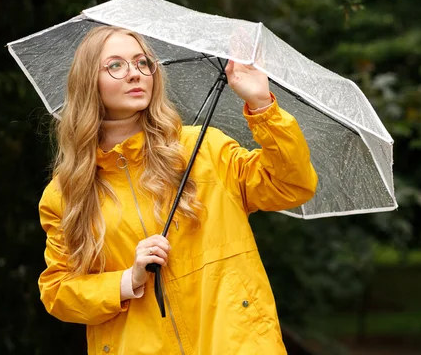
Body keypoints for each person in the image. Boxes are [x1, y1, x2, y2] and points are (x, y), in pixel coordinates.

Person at [38, 25, 318, 354]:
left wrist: (260, 104)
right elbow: (59, 291)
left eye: (143, 63)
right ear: (88, 81)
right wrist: (129, 280)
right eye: (116, 65)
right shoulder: (67, 193)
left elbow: (291, 185)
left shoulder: (204, 150)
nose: (135, 74)